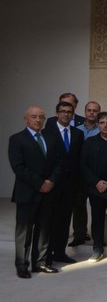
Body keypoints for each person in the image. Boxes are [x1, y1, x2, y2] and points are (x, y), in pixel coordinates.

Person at [9, 106, 65, 278]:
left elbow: (60, 162)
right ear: (26, 119)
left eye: (41, 117)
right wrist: (40, 183)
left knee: (43, 229)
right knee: (24, 231)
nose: (38, 120)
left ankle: (39, 263)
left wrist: (51, 181)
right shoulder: (17, 139)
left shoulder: (51, 137)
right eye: (34, 117)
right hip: (27, 192)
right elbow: (18, 167)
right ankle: (22, 265)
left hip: (48, 192)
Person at [45, 101, 84, 265]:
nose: (66, 114)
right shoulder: (47, 132)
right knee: (48, 221)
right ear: (57, 114)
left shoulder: (77, 133)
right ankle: (46, 254)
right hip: (52, 184)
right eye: (63, 111)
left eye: (70, 112)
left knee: (65, 220)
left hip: (71, 185)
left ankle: (60, 252)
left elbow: (79, 159)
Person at [81, 111, 107, 263]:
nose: (106, 125)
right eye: (103, 122)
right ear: (98, 125)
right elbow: (83, 165)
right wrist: (96, 182)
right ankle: (97, 249)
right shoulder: (89, 142)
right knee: (97, 219)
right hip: (95, 187)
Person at [70, 100, 101, 247]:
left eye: (95, 110)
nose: (92, 112)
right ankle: (79, 235)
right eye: (89, 110)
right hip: (79, 174)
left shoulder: (102, 130)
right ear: (85, 112)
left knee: (97, 207)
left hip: (95, 175)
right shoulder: (76, 130)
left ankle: (98, 239)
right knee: (78, 205)